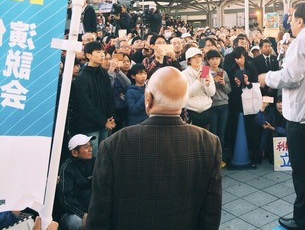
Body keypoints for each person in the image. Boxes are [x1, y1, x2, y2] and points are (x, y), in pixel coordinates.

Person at [87, 67, 222, 230]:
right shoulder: (208, 142)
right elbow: (211, 213)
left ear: (148, 98)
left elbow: (99, 215)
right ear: (184, 100)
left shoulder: (114, 144)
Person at [258, 2, 305, 230]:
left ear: (300, 20)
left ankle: (303, 220)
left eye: (291, 18)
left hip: (303, 117)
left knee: (303, 173)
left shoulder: (302, 41)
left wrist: (267, 78)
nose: (289, 22)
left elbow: (291, 77)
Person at [69, 41, 115, 156]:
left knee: (104, 155)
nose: (102, 55)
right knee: (93, 155)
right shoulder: (82, 77)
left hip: (105, 123)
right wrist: (103, 121)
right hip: (90, 125)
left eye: (103, 52)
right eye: (98, 52)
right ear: (89, 55)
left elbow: (109, 95)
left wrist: (110, 117)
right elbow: (85, 104)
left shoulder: (103, 73)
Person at [57, 134, 95, 230]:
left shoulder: (94, 162)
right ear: (74, 152)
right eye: (86, 147)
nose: (90, 149)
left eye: (90, 145)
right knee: (76, 222)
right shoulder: (66, 168)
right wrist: (83, 214)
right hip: (72, 213)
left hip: (92, 209)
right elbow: (66, 199)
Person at [182, 47, 216, 129]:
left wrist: (208, 85)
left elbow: (212, 93)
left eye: (199, 56)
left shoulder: (205, 70)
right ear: (189, 60)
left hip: (206, 109)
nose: (197, 59)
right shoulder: (184, 74)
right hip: (192, 111)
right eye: (194, 57)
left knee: (205, 138)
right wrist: (198, 81)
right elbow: (187, 93)